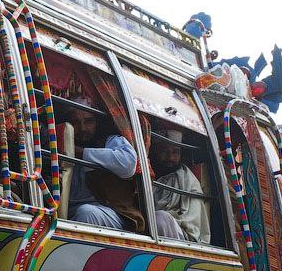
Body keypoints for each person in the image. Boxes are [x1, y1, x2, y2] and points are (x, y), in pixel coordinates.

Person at [64, 100, 140, 230]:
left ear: (97, 122)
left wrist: (82, 153)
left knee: (86, 213)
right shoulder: (61, 144)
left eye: (88, 121)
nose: (83, 128)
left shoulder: (110, 141)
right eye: (76, 122)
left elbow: (129, 164)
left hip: (111, 213)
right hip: (67, 211)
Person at [149, 129, 210, 243]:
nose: (170, 157)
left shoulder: (188, 180)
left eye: (175, 152)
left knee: (161, 218)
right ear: (155, 151)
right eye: (164, 151)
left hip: (183, 236)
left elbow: (191, 223)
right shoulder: (148, 173)